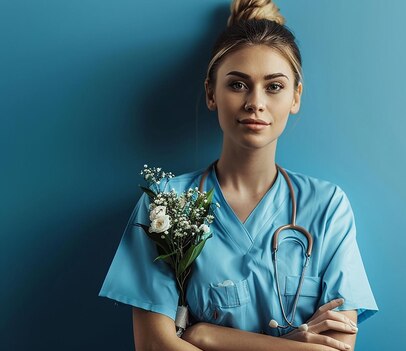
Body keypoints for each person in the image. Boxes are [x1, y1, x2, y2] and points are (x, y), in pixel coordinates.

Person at [98, 0, 378, 350]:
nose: (255, 102)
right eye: (237, 85)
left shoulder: (327, 206)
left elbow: (338, 346)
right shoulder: (165, 206)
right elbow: (155, 346)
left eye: (274, 86)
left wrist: (206, 335)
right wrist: (293, 344)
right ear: (211, 94)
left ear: (296, 96)